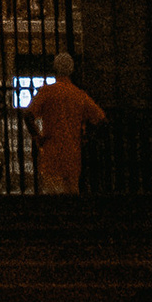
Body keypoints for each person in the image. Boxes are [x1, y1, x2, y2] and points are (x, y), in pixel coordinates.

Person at [26, 50, 106, 195]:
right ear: (72, 70)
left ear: (55, 68)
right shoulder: (79, 95)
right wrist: (86, 137)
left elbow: (28, 115)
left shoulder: (47, 92)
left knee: (53, 199)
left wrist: (38, 137)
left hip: (51, 156)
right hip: (73, 157)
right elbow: (101, 119)